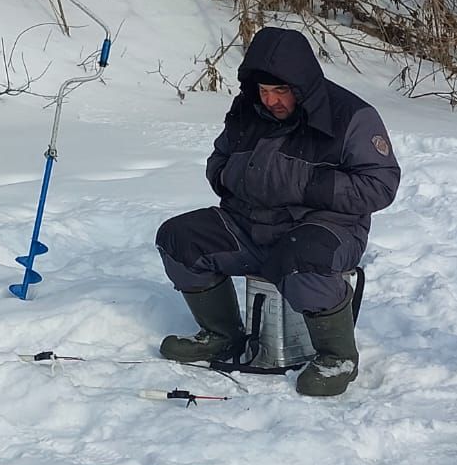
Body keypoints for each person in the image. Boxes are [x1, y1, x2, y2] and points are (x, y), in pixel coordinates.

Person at [155, 26, 400, 397]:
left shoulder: (351, 116)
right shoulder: (246, 110)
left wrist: (304, 186)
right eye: (264, 91)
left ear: (302, 86)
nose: (271, 101)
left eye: (281, 91)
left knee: (302, 259)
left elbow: (381, 185)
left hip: (325, 228)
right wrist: (231, 176)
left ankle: (338, 356)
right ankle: (223, 336)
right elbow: (218, 160)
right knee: (178, 238)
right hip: (248, 223)